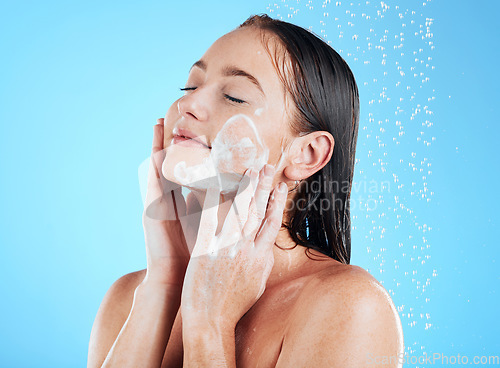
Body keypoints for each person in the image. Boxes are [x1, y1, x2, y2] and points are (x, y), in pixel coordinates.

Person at [87, 14, 403, 368]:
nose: (188, 105)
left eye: (234, 97)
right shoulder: (128, 297)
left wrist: (210, 323)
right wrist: (165, 280)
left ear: (306, 154)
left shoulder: (350, 306)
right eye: (190, 87)